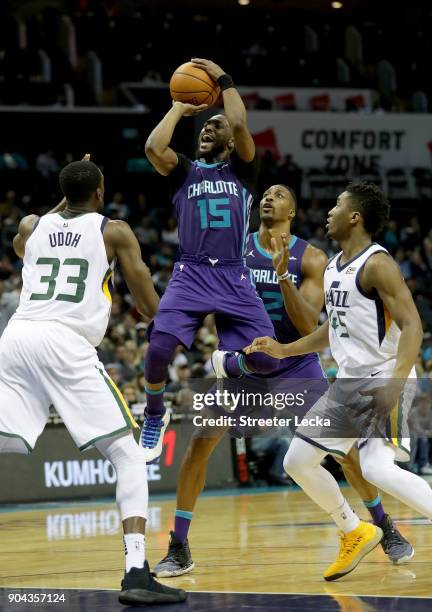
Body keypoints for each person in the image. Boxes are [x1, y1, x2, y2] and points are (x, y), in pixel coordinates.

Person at [152, 184, 412, 578]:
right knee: (198, 447)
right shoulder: (230, 251)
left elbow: (309, 323)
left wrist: (281, 277)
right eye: (266, 193)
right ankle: (180, 545)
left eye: (280, 194)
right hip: (244, 368)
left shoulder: (313, 258)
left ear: (292, 212)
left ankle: (383, 526)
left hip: (294, 365)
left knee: (345, 452)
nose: (269, 197)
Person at [0, 157, 186, 606]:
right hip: (65, 345)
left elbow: (25, 246)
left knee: (4, 443)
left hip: (17, 338)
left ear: (63, 192)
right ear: (101, 193)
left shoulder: (31, 224)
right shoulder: (114, 231)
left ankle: (138, 572)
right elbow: (147, 307)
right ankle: (137, 572)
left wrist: (69, 193)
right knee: (126, 455)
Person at [245, 181, 431, 581]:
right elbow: (333, 328)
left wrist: (396, 383)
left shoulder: (378, 264)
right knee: (296, 461)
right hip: (349, 384)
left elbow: (413, 325)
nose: (328, 212)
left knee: (377, 470)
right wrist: (284, 349)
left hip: (384, 375)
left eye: (336, 206)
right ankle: (354, 530)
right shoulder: (332, 266)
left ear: (355, 217)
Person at [142, 58, 279, 460]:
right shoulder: (184, 171)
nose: (208, 129)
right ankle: (154, 414)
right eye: (205, 125)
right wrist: (179, 107)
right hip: (192, 271)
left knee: (269, 360)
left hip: (235, 277)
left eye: (214, 125)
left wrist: (224, 78)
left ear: (232, 141)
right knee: (159, 348)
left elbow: (238, 122)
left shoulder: (244, 171)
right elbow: (154, 147)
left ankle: (228, 364)